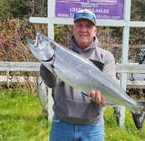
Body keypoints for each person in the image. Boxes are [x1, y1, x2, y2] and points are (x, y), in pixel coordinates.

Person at [40, 9, 116, 141]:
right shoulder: (61, 54)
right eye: (79, 25)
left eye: (88, 26)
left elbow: (110, 87)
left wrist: (103, 97)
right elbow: (52, 83)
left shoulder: (106, 57)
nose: (83, 29)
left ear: (95, 31)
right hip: (61, 124)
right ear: (73, 29)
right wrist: (46, 62)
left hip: (92, 127)